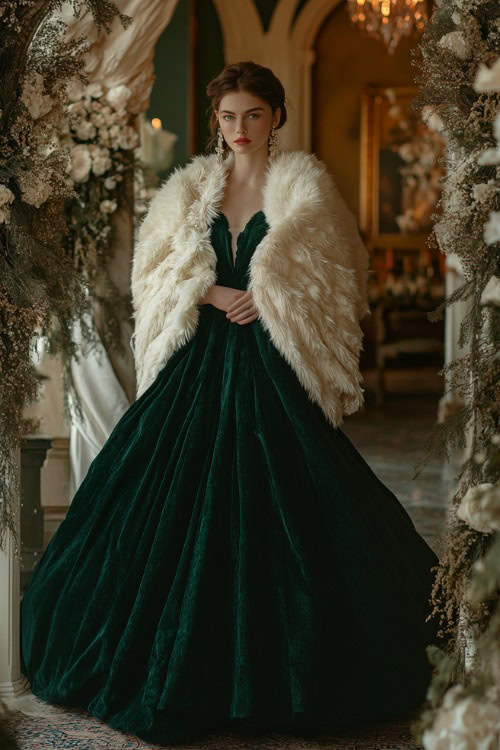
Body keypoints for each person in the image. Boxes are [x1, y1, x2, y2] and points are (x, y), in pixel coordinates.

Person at [20, 61, 443, 746]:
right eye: (227, 117)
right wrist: (209, 291)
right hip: (198, 367)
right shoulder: (186, 193)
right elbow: (157, 274)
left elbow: (337, 286)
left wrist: (271, 298)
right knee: (155, 507)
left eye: (252, 115)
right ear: (214, 123)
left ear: (276, 117)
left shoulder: (307, 197)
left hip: (274, 369)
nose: (239, 129)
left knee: (303, 508)